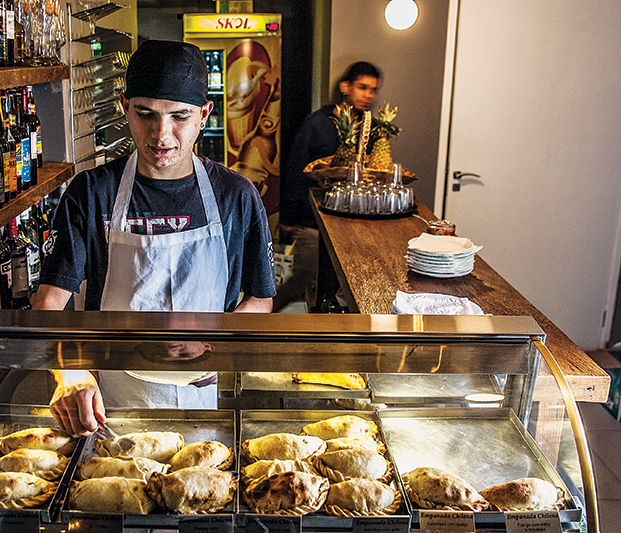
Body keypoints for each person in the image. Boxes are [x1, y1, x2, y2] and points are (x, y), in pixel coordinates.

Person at [34, 40, 276, 436]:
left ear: (204, 115)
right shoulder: (92, 192)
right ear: (125, 106)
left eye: (179, 116)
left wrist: (213, 340)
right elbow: (48, 301)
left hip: (203, 394)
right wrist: (70, 374)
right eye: (146, 114)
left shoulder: (236, 196)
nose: (161, 134)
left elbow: (260, 301)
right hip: (110, 398)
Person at [274, 62, 381, 311]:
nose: (369, 95)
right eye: (363, 87)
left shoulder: (370, 127)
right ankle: (259, 317)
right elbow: (295, 170)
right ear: (345, 87)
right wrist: (288, 217)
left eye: (373, 90)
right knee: (300, 278)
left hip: (352, 223)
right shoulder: (318, 123)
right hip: (313, 222)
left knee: (336, 287)